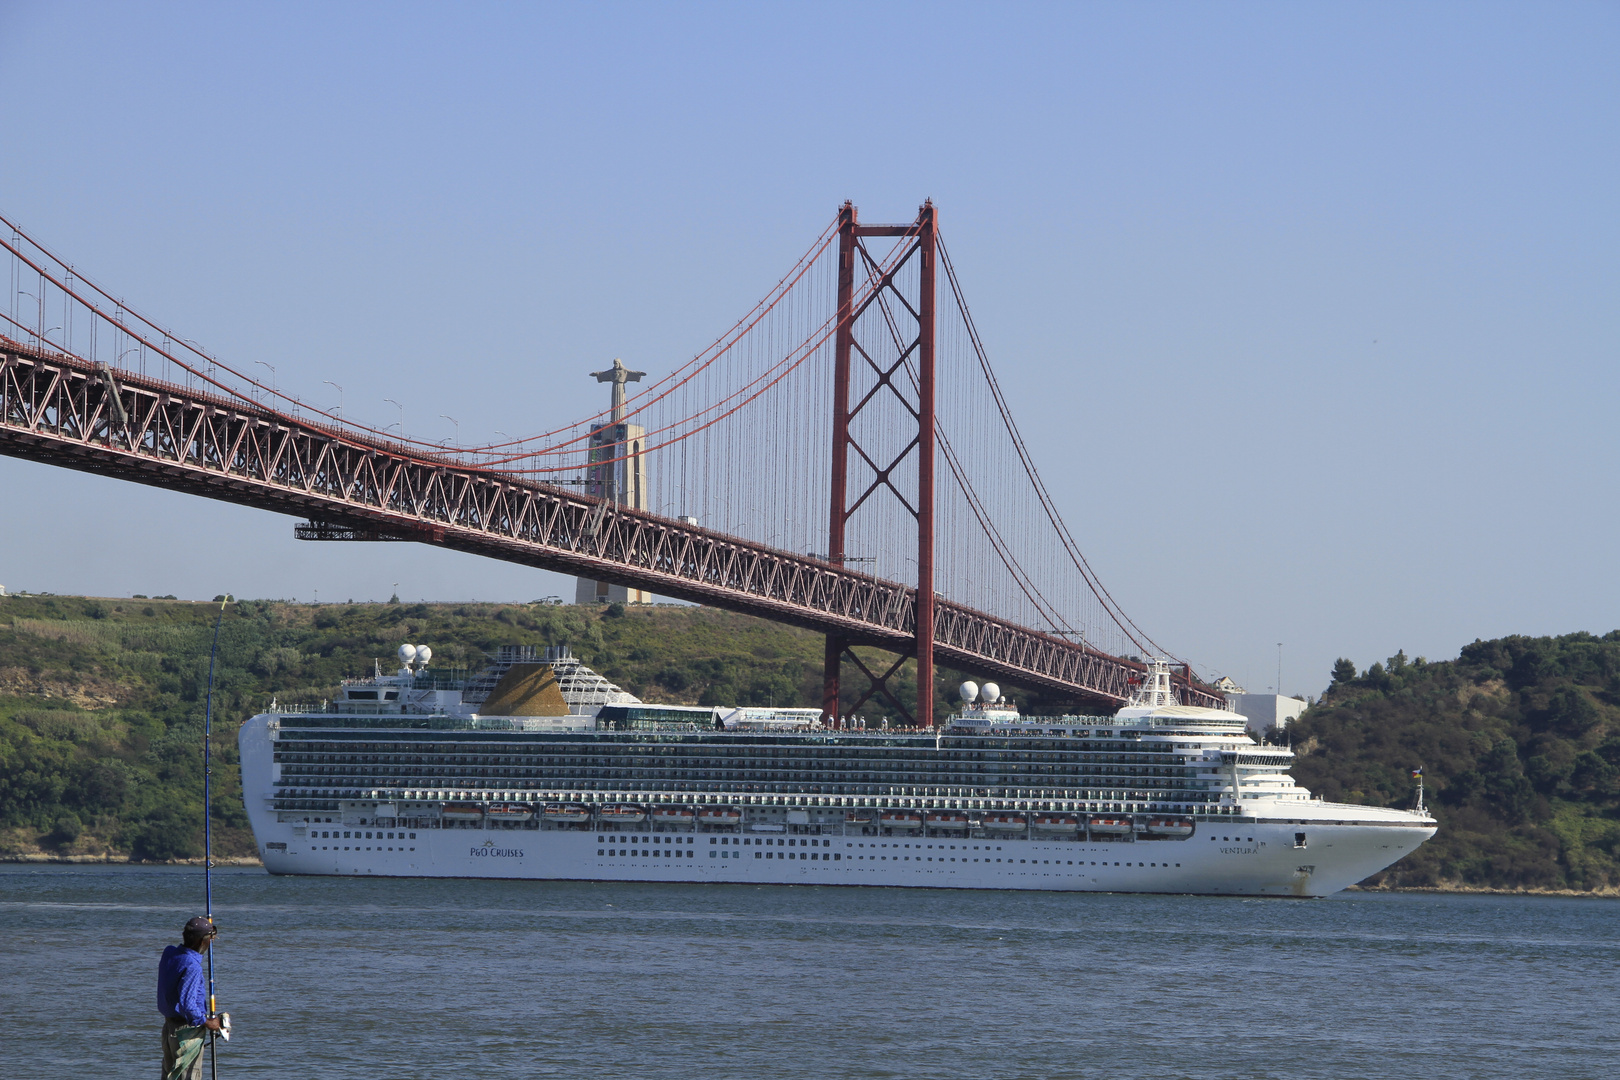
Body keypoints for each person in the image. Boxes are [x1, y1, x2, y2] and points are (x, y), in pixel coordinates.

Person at [157, 916, 223, 1080]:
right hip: (186, 1033)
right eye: (210, 940)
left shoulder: (169, 953)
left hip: (169, 1029)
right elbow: (188, 1006)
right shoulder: (192, 966)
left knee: (169, 1076)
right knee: (189, 1077)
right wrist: (210, 1023)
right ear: (202, 942)